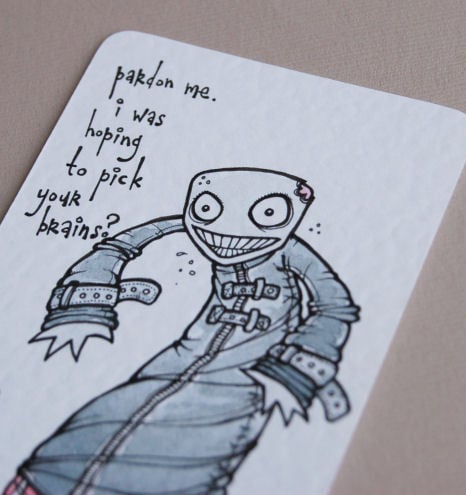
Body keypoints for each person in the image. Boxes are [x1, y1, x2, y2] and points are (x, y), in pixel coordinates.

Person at [4, 168, 359, 495]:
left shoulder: (291, 253)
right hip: (171, 366)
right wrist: (84, 307)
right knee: (101, 427)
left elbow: (334, 305)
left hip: (248, 381)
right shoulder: (183, 230)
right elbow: (117, 246)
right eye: (207, 209)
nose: (229, 231)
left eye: (267, 213)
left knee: (193, 455)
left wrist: (297, 369)